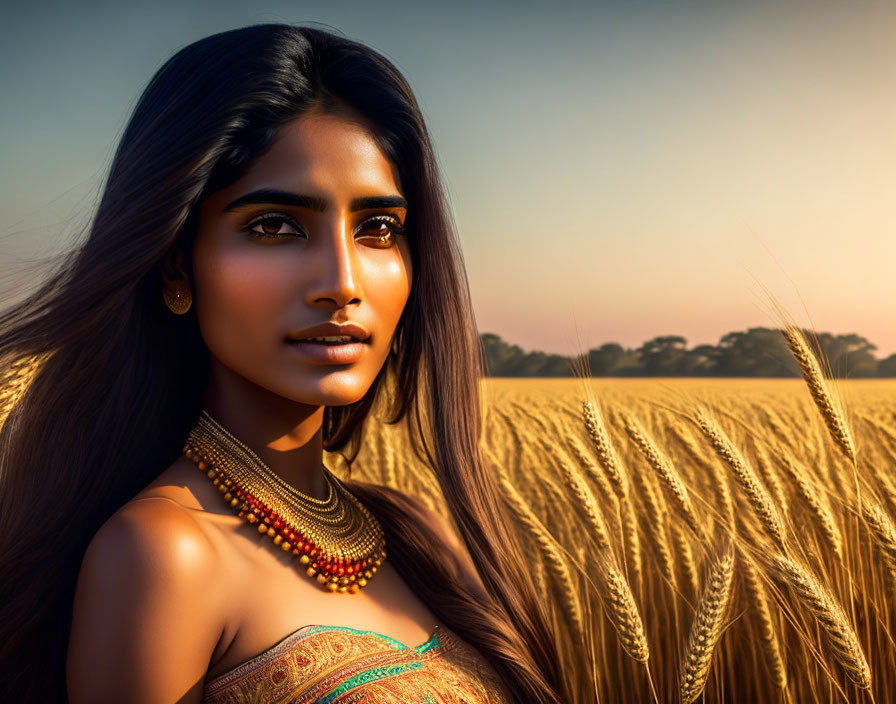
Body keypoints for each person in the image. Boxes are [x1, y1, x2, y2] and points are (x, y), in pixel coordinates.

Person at [0, 24, 569, 703]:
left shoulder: (415, 534)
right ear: (177, 266)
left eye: (377, 229)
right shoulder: (161, 556)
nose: (342, 281)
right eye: (274, 225)